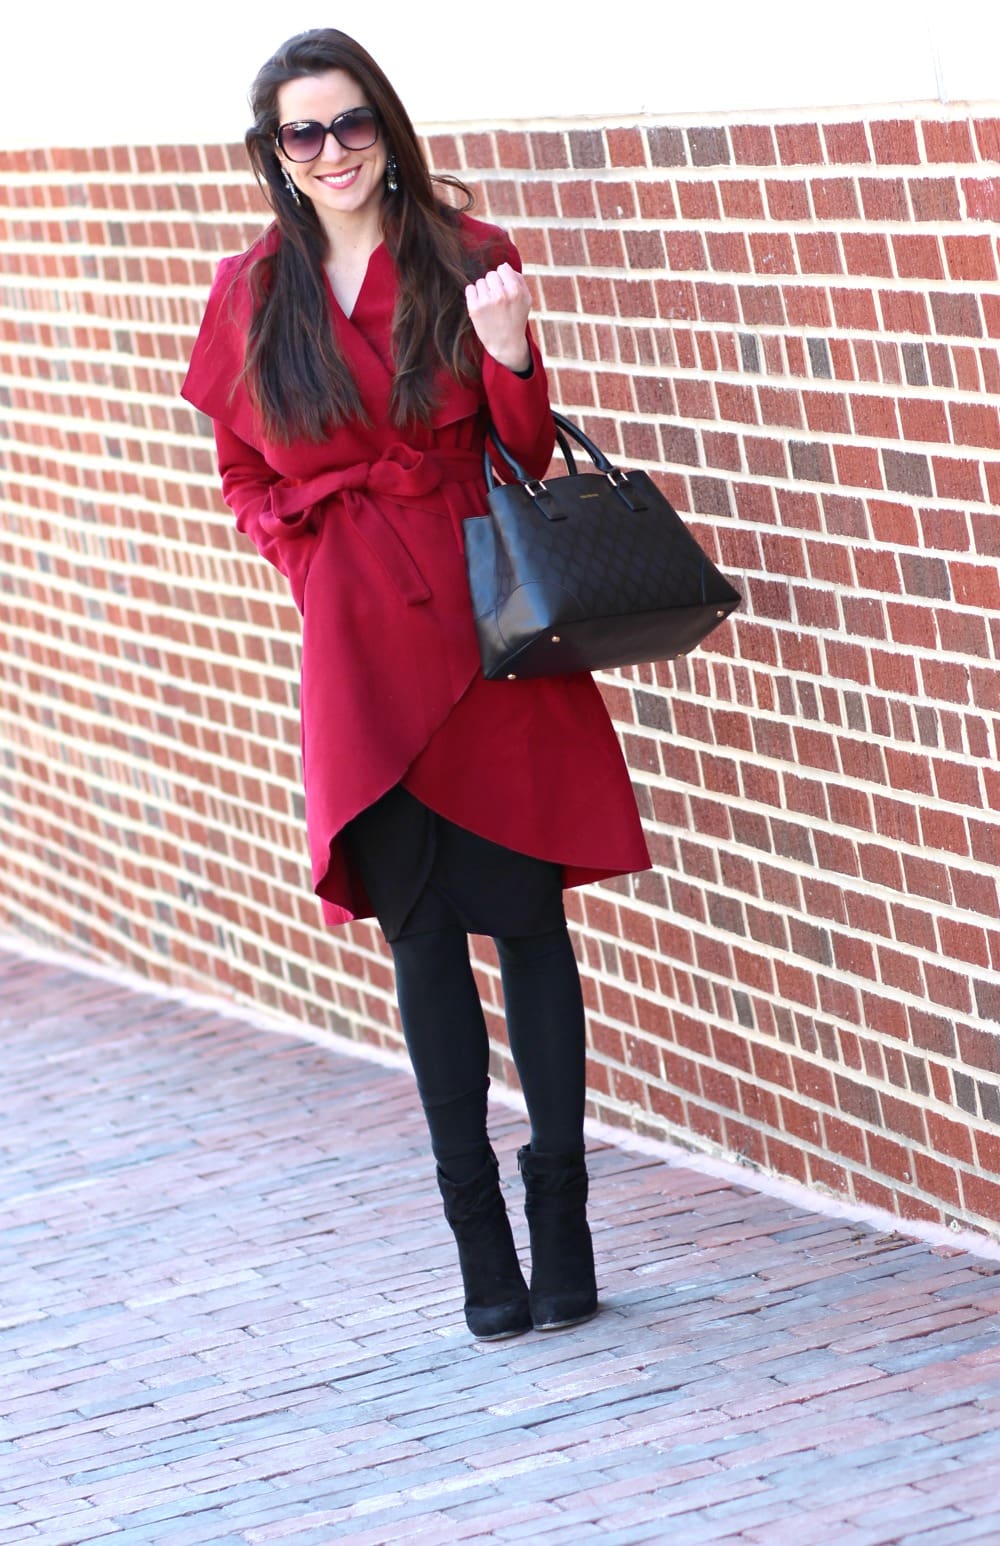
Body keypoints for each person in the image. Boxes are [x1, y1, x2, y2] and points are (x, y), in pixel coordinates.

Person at [181, 27, 650, 1340]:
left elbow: (522, 455)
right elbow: (241, 473)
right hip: (359, 655)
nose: (331, 151)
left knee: (534, 932)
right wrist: (308, 556)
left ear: (386, 123)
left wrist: (512, 358)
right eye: (302, 133)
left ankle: (563, 1216)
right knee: (426, 948)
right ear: (273, 151)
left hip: (489, 633)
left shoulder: (466, 252)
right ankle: (480, 1245)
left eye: (350, 123)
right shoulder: (251, 292)